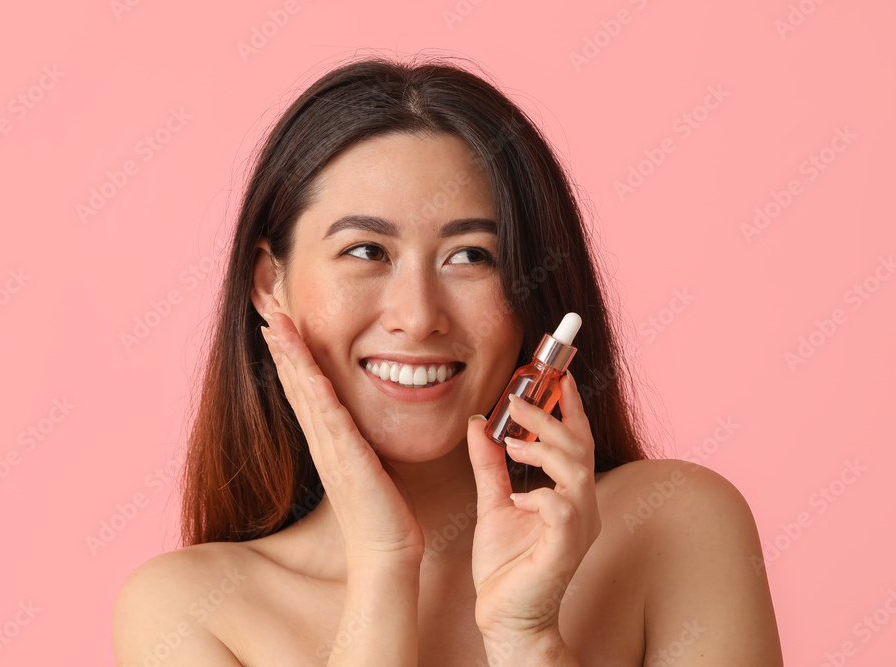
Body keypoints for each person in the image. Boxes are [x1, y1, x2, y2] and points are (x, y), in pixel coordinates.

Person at [112, 54, 784, 666]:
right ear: (269, 282)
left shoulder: (674, 528)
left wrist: (529, 637)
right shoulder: (188, 610)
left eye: (470, 256)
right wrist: (382, 565)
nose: (418, 314)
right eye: (367, 252)